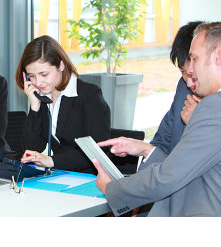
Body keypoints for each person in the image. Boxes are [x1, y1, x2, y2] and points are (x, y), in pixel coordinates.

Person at [93, 22, 221, 216]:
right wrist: (146, 149)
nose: (191, 70)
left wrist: (112, 188)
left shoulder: (213, 106)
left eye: (194, 59)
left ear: (218, 56)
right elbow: (186, 167)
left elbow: (169, 177)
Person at [134, 21, 202, 216]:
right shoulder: (184, 88)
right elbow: (162, 140)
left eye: (192, 75)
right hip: (167, 194)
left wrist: (197, 123)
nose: (189, 83)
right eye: (182, 73)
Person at [16, 35, 110, 173]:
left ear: (61, 65)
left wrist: (53, 161)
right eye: (32, 76)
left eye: (44, 74)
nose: (38, 82)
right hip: (61, 176)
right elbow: (30, 148)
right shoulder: (43, 97)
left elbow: (97, 150)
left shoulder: (89, 96)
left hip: (90, 178)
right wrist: (34, 107)